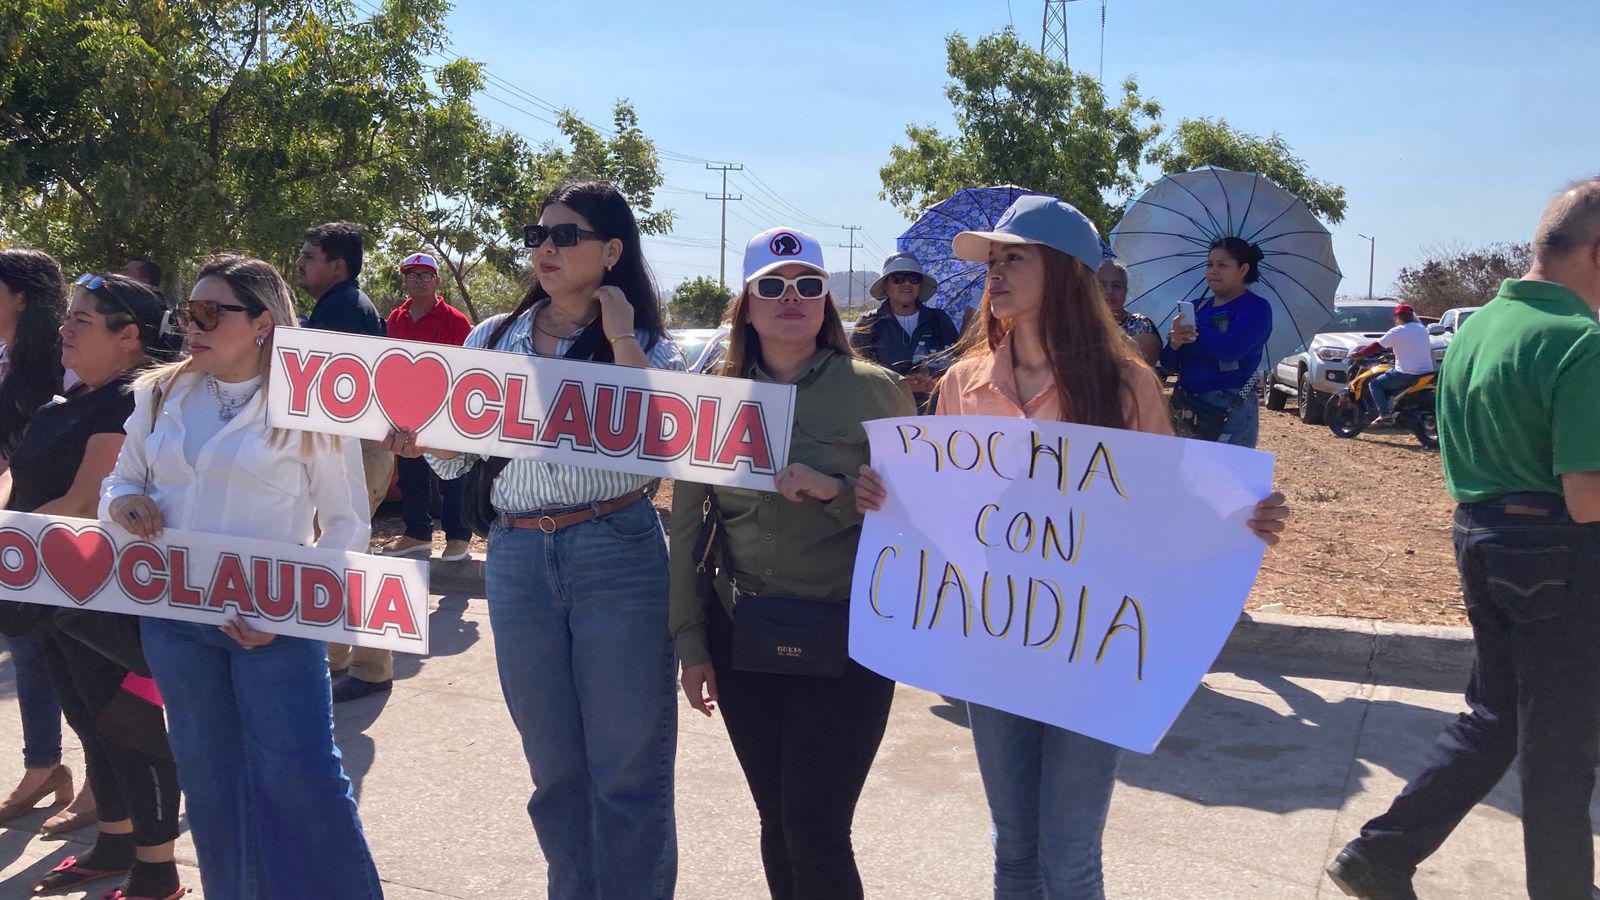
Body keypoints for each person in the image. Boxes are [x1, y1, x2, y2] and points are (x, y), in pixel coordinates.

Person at [854, 194, 1290, 899]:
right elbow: (941, 508)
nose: (993, 274)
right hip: (992, 638)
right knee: (1014, 849)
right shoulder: (962, 385)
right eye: (992, 261)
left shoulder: (1125, 386)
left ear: (1062, 273)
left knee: (1069, 851)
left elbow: (1161, 511)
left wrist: (1237, 520)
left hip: (1092, 650)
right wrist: (887, 499)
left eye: (1012, 259)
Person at [391, 181, 683, 899]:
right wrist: (419, 439)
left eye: (565, 235)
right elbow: (457, 461)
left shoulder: (647, 345)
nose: (544, 249)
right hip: (518, 558)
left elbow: (663, 447)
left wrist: (618, 339)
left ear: (612, 251)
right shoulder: (491, 337)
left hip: (617, 549)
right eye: (537, 235)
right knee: (554, 769)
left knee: (628, 770)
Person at [1327, 179, 1600, 900]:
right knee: (1561, 747)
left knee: (1495, 718)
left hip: (1479, 533)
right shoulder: (1583, 342)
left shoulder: (1477, 328)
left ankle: (1381, 852)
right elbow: (1587, 494)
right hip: (1558, 551)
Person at [102, 253, 382, 900]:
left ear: (262, 323)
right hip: (175, 624)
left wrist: (289, 615)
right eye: (185, 313)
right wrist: (121, 503)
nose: (190, 327)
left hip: (274, 628)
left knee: (302, 782)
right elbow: (123, 479)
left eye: (208, 313)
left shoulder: (313, 408)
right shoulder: (158, 393)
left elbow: (346, 527)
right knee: (210, 787)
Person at [671, 228, 917, 900]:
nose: (791, 297)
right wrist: (691, 645)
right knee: (777, 821)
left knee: (816, 829)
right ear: (746, 306)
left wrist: (839, 494)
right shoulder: (714, 401)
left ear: (826, 303)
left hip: (849, 639)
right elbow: (686, 529)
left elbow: (924, 523)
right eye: (771, 286)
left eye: (808, 285)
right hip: (741, 632)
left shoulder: (877, 393)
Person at [1, 273, 186, 899]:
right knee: (87, 718)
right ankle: (113, 840)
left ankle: (157, 874)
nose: (64, 328)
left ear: (129, 337)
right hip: (48, 587)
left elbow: (84, 504)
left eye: (82, 320)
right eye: (68, 316)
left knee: (128, 726)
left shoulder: (127, 403)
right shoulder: (70, 400)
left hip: (103, 595)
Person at [0, 249, 96, 835]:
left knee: (81, 659)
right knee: (28, 646)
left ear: (21, 297)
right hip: (23, 531)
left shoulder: (68, 368)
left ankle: (102, 783)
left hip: (73, 535)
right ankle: (44, 768)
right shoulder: (7, 359)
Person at [297, 220, 396, 701]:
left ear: (338, 265)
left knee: (352, 556)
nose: (300, 264)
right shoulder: (339, 305)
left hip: (357, 448)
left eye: (310, 257)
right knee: (338, 551)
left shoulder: (342, 309)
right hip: (350, 447)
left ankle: (372, 668)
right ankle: (335, 659)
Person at [382, 252, 473, 562]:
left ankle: (458, 537)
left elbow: (467, 368)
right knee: (410, 473)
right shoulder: (396, 318)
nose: (417, 280)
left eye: (424, 275)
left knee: (452, 477)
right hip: (406, 410)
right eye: (411, 274)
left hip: (446, 410)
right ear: (404, 280)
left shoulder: (455, 321)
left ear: (437, 280)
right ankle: (416, 534)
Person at [1162, 237, 1273, 447]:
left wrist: (1196, 329)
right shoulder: (1196, 307)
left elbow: (1231, 349)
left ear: (1243, 270)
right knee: (1185, 477)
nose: (1213, 271)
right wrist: (1174, 344)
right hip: (1186, 406)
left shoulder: (1256, 308)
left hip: (1229, 411)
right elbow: (1168, 364)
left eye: (1222, 265)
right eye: (1210, 264)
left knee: (1226, 479)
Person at [849, 252, 958, 409]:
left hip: (934, 415)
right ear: (886, 284)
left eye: (914, 278)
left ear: (920, 284)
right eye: (898, 278)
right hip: (884, 415)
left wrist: (933, 380)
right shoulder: (868, 323)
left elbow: (956, 363)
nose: (906, 283)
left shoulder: (939, 320)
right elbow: (856, 376)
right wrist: (900, 384)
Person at [1347, 303, 1435, 425]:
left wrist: (1358, 354)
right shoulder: (1422, 329)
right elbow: (1410, 346)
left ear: (1398, 317)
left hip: (1406, 374)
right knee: (1390, 372)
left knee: (1375, 384)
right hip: (1426, 372)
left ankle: (1384, 414)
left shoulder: (1397, 331)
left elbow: (1376, 346)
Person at [1097, 259, 1160, 365]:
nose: (1109, 291)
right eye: (1102, 285)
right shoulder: (1079, 324)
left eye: (1116, 286)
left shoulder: (1142, 325)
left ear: (1125, 291)